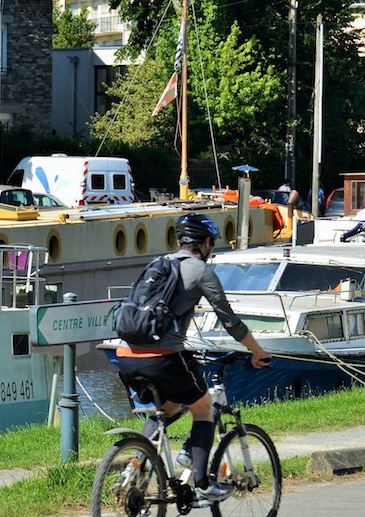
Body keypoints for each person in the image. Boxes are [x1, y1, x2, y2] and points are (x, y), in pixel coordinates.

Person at [115, 213, 271, 501]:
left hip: (125, 353)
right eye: (212, 243)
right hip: (162, 356)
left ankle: (133, 468)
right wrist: (257, 351)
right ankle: (202, 483)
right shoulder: (201, 271)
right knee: (204, 408)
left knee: (169, 409)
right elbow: (230, 320)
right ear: (206, 243)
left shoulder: (157, 264)